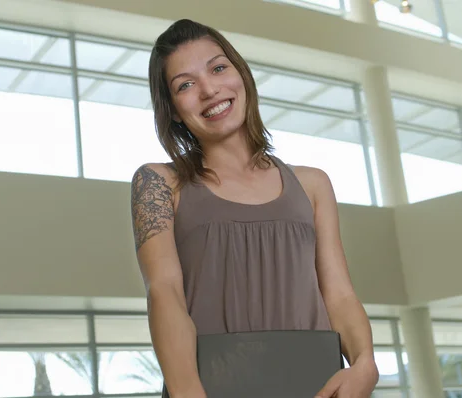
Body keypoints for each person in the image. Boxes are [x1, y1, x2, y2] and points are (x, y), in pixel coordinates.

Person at [130, 18, 379, 398]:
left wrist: (365, 365)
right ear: (174, 110)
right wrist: (186, 393)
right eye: (185, 84)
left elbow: (340, 295)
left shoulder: (312, 184)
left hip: (318, 384)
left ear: (241, 75)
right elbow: (164, 292)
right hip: (210, 387)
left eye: (218, 68)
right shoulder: (159, 183)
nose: (209, 89)